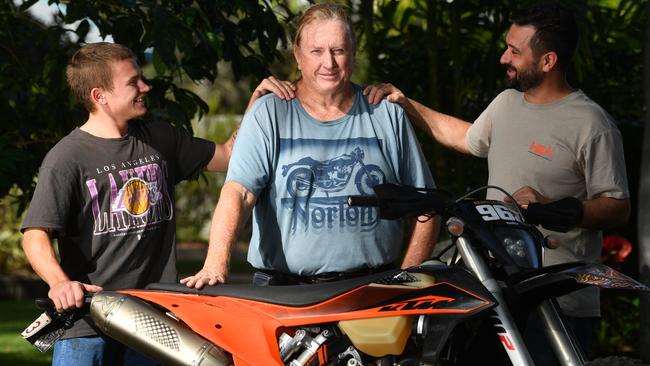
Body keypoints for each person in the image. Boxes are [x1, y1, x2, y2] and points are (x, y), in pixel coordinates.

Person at [364, 2, 630, 363]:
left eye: (514, 51)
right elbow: (468, 137)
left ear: (548, 61)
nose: (504, 57)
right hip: (494, 291)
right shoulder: (506, 104)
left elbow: (617, 207)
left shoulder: (591, 124)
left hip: (557, 300)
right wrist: (407, 104)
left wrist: (551, 208)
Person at [19, 42, 289, 366]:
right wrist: (59, 282)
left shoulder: (159, 138)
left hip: (155, 321)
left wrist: (256, 103)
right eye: (133, 82)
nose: (145, 87)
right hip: (88, 320)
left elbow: (231, 156)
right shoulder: (67, 159)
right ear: (99, 96)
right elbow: (35, 232)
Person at [182, 3, 438, 289]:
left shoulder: (385, 112)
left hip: (374, 288)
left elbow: (427, 206)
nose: (328, 63)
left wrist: (406, 279)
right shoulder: (270, 112)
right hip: (286, 291)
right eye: (316, 51)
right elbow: (239, 193)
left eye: (338, 51)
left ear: (352, 54)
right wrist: (215, 262)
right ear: (298, 55)